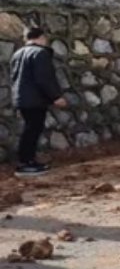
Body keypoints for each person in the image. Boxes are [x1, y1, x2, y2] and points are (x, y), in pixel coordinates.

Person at [9, 27, 68, 176]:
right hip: (35, 99)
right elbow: (44, 79)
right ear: (42, 37)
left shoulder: (17, 54)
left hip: (21, 98)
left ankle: (27, 160)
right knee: (32, 130)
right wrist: (56, 97)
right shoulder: (40, 53)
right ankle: (26, 162)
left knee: (30, 129)